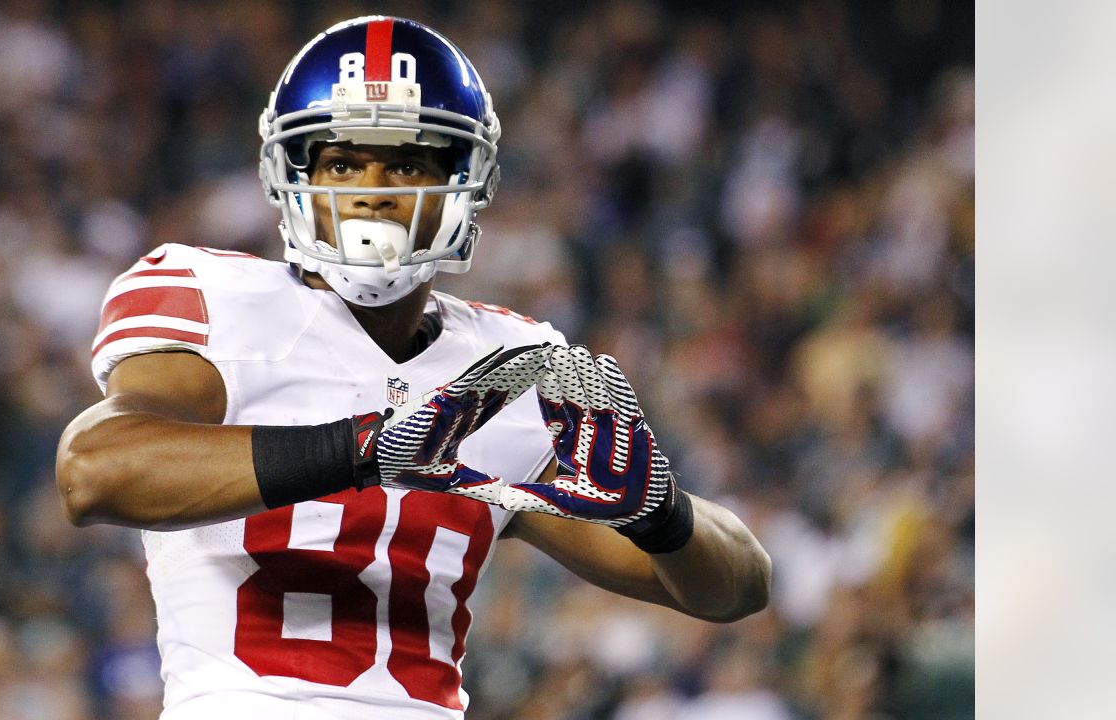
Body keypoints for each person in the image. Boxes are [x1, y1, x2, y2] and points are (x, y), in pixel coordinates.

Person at [55, 15, 770, 720]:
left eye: (405, 162)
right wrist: (369, 449)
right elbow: (93, 471)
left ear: (463, 182)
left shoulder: (509, 367)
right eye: (341, 162)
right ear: (294, 177)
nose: (371, 188)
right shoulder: (216, 297)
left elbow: (737, 586)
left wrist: (662, 516)